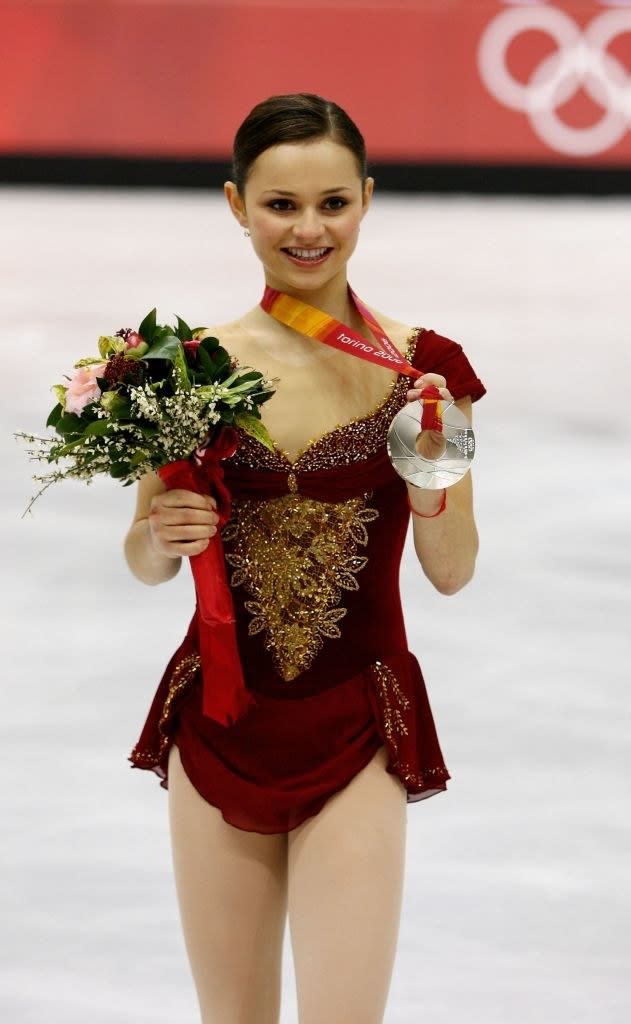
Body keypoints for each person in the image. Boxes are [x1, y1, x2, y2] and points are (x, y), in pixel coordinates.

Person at [125, 93, 486, 1024]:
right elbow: (145, 560)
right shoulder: (183, 370)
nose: (309, 228)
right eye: (282, 204)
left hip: (356, 722)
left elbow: (450, 570)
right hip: (217, 718)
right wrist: (157, 531)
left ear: (366, 200)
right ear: (237, 205)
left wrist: (428, 467)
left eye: (333, 202)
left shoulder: (423, 371)